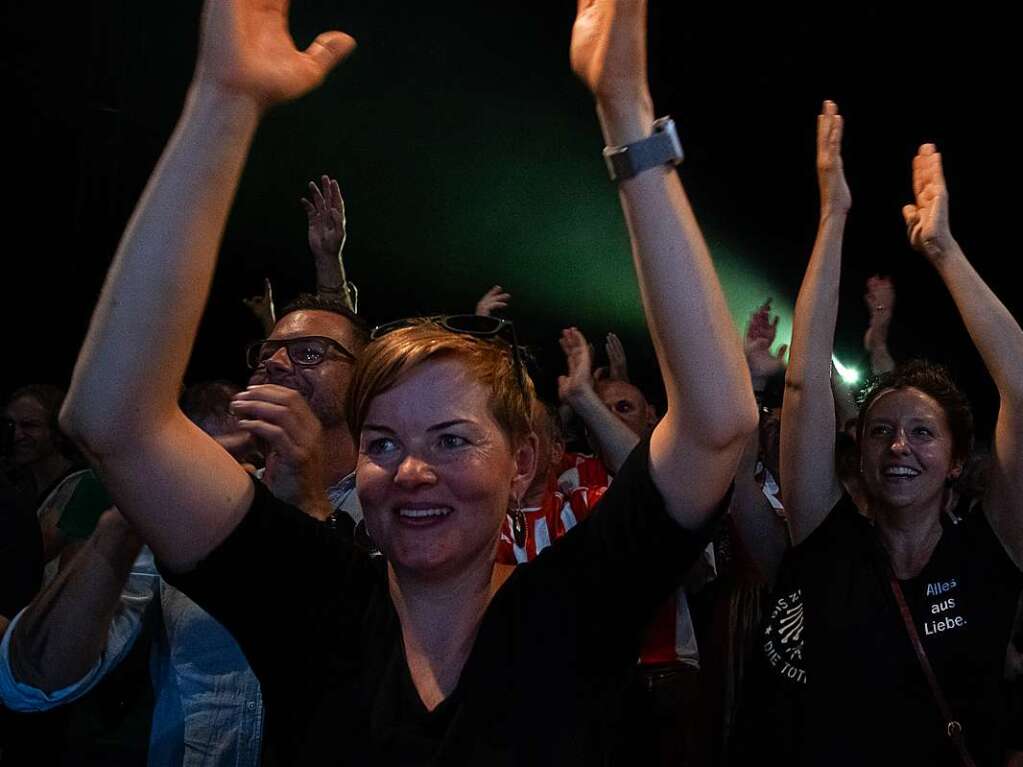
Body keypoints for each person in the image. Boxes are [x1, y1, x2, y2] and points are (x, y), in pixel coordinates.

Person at [57, 0, 757, 763]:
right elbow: (114, 421)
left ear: (520, 463)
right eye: (383, 441)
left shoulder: (574, 602)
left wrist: (625, 109)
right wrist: (222, 103)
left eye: (451, 438)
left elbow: (717, 422)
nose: (411, 469)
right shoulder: (313, 601)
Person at [748, 101, 1023, 764]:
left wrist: (944, 251)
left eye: (922, 432)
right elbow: (804, 380)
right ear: (858, 451)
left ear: (957, 460)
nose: (898, 445)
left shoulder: (989, 552)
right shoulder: (823, 534)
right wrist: (831, 216)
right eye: (879, 431)